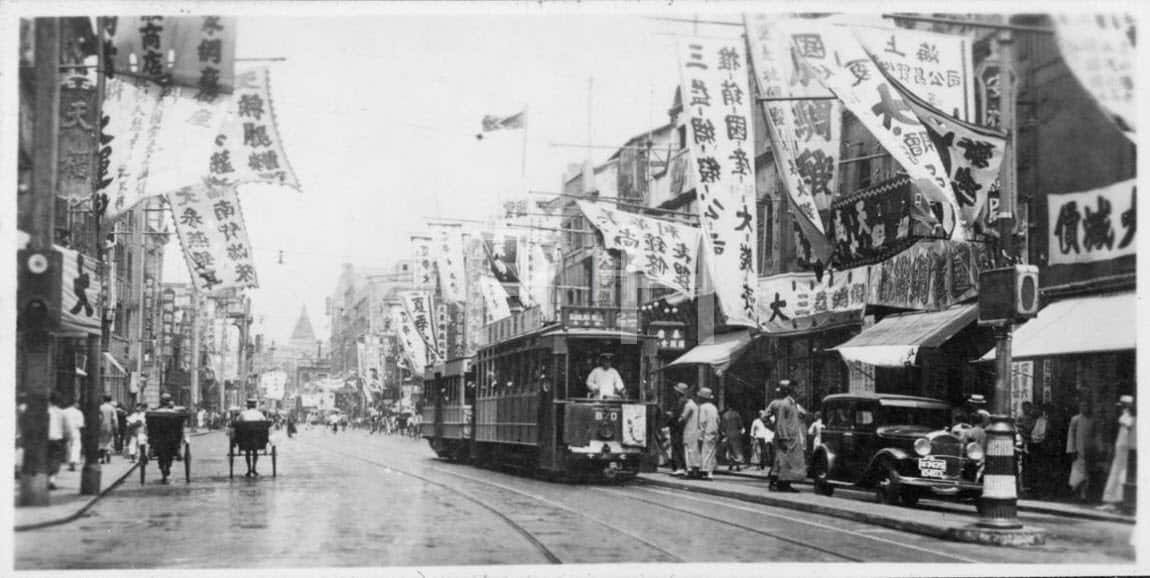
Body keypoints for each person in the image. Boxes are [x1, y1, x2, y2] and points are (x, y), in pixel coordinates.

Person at [767, 381, 807, 492]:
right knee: (783, 461)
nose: (797, 392)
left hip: (792, 437)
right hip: (786, 438)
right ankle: (780, 484)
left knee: (788, 462)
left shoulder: (793, 404)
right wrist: (783, 437)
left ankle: (783, 484)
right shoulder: (784, 404)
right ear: (789, 391)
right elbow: (780, 423)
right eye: (794, 389)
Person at [1099, 395, 1136, 512]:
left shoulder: (1129, 417)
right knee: (1117, 473)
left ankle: (1116, 501)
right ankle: (1111, 500)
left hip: (1125, 450)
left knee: (1120, 474)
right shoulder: (1127, 416)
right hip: (1121, 449)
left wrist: (1127, 414)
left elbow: (1126, 423)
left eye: (1123, 406)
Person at [1066, 400, 1102, 503]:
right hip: (1078, 450)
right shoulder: (1075, 419)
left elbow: (1097, 435)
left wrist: (1099, 448)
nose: (1084, 408)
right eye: (1082, 406)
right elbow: (1071, 435)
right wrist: (1071, 449)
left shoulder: (1093, 420)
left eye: (1086, 406)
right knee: (1077, 473)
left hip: (1089, 450)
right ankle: (1075, 492)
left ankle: (1083, 495)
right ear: (1079, 407)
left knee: (1087, 474)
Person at [148, 393, 186, 484]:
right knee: (169, 455)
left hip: (158, 439)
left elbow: (151, 427)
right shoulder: (175, 413)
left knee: (162, 457)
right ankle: (175, 454)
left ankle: (162, 466)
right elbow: (179, 428)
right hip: (172, 439)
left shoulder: (155, 412)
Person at [236, 398, 268, 477]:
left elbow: (237, 422)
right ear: (255, 405)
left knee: (247, 452)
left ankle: (249, 469)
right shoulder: (259, 414)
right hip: (257, 440)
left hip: (245, 440)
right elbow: (265, 423)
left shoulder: (243, 414)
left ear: (247, 406)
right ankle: (254, 468)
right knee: (255, 452)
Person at [697, 388, 720, 480]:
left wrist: (700, 434)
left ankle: (705, 471)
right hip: (714, 431)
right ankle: (710, 471)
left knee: (705, 451)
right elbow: (718, 420)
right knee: (711, 452)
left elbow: (702, 421)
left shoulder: (703, 407)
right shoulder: (713, 407)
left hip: (706, 431)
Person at [668, 383, 690, 476]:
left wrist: (670, 416)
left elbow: (677, 414)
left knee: (677, 446)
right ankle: (681, 467)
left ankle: (679, 467)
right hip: (679, 427)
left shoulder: (681, 401)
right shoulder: (683, 401)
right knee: (678, 447)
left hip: (677, 427)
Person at [679, 387, 701, 478]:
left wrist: (678, 420)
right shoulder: (697, 406)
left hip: (689, 431)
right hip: (696, 430)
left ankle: (690, 471)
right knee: (694, 451)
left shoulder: (689, 405)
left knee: (688, 451)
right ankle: (695, 470)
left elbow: (683, 418)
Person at [47, 393, 66, 490]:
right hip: (57, 438)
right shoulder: (61, 413)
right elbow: (66, 427)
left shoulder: (46, 411)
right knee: (55, 460)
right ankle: (51, 480)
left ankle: (45, 479)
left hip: (45, 439)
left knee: (46, 459)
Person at [62, 398, 85, 471]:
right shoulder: (78, 412)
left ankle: (69, 462)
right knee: (76, 446)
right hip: (75, 431)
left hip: (66, 431)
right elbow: (80, 425)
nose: (78, 405)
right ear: (75, 403)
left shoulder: (64, 412)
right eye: (77, 403)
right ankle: (73, 461)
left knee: (68, 446)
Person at [721, 405, 745, 472]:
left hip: (728, 434)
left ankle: (730, 464)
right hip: (736, 434)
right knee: (737, 450)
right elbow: (740, 425)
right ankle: (738, 465)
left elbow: (723, 426)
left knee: (730, 450)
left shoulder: (725, 415)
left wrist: (723, 433)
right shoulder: (737, 414)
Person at [98, 395, 118, 464]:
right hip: (109, 427)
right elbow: (115, 419)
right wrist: (116, 427)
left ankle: (101, 458)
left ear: (103, 400)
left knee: (101, 442)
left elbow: (98, 417)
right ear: (110, 400)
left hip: (101, 427)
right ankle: (108, 452)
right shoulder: (112, 408)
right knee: (108, 441)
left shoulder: (100, 407)